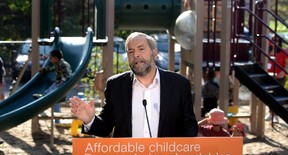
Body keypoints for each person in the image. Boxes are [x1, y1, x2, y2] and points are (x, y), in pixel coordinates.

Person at [70, 32, 198, 138]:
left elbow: (189, 127)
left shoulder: (179, 84)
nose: (135, 54)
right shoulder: (115, 85)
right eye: (130, 51)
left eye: (141, 49)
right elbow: (105, 128)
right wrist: (89, 120)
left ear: (154, 53)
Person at [33, 50, 72, 118]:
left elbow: (68, 74)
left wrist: (63, 80)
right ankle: (43, 97)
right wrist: (44, 70)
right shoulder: (57, 64)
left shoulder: (63, 64)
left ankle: (44, 99)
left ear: (56, 58)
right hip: (57, 82)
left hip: (62, 83)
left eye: (51, 58)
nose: (50, 60)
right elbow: (51, 68)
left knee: (52, 92)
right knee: (48, 90)